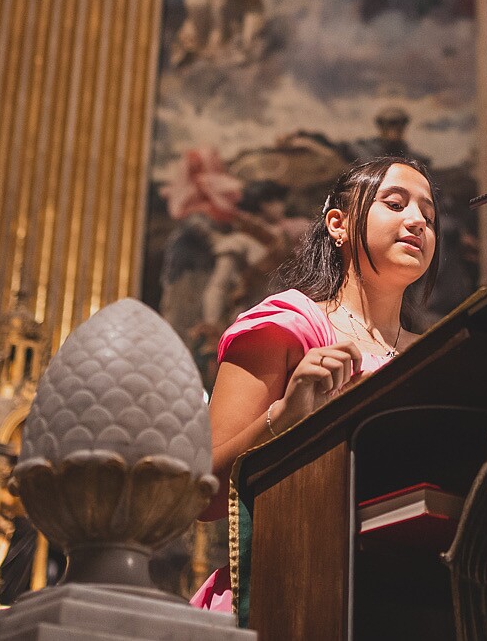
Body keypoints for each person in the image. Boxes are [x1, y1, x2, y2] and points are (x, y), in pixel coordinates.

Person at [188, 157, 440, 612]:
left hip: (407, 600)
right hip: (287, 594)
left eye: (429, 214)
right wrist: (282, 418)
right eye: (395, 203)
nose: (417, 221)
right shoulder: (286, 327)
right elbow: (199, 496)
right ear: (338, 225)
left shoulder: (437, 353)